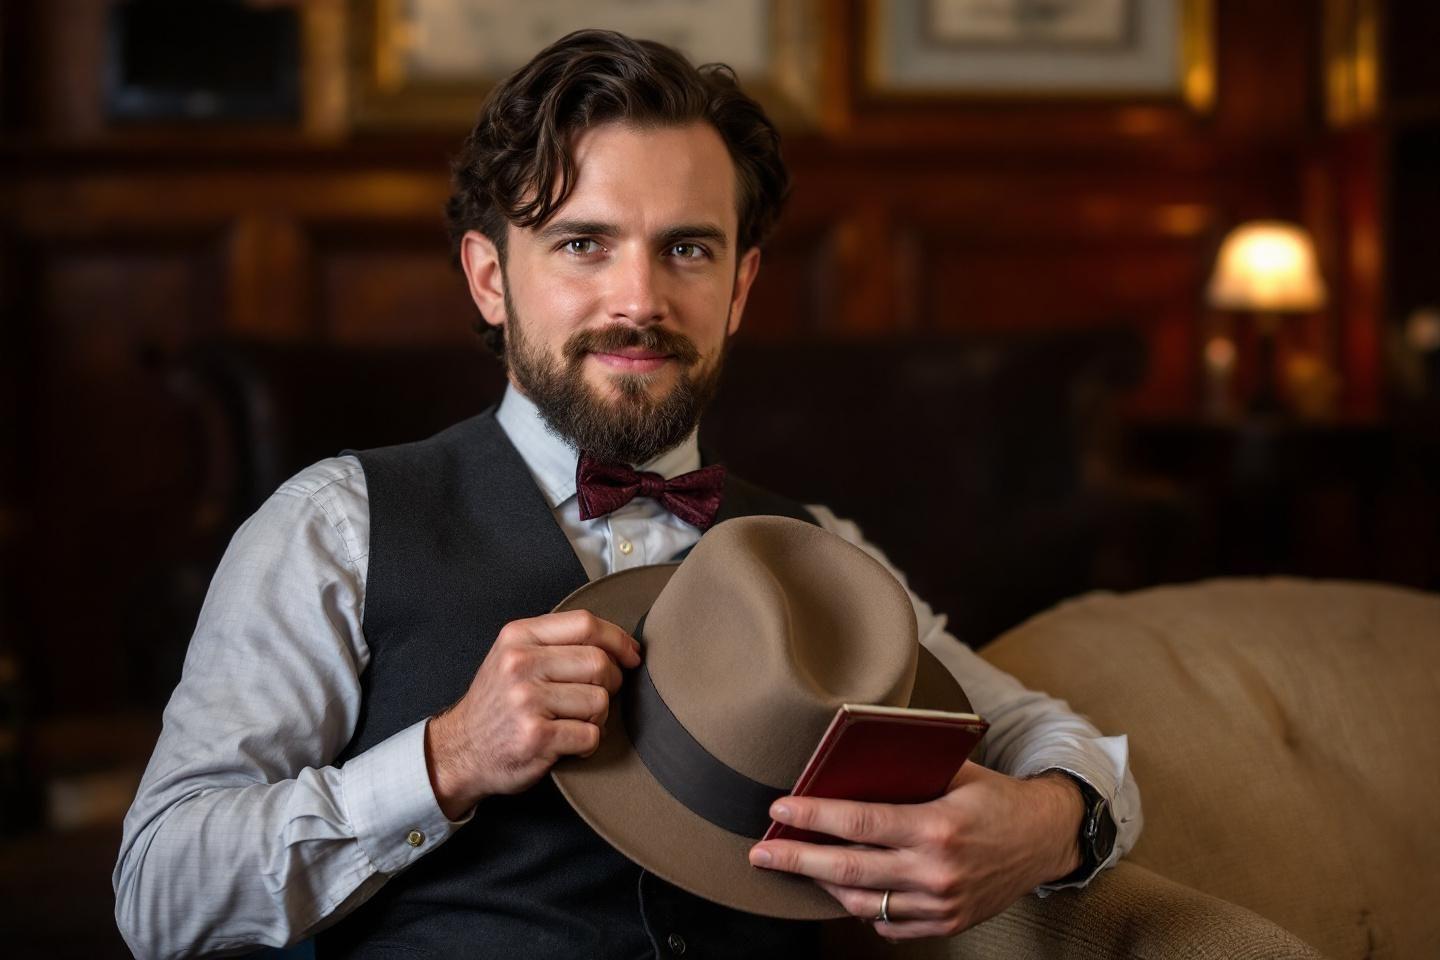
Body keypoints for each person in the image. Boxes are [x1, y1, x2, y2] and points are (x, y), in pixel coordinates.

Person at [114, 29, 1140, 959]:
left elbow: (1057, 742)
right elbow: (158, 892)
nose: (640, 301)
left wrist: (1049, 827)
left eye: (687, 249)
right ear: (488, 277)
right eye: (582, 244)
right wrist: (446, 759)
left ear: (739, 288)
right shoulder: (337, 526)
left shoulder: (816, 549)